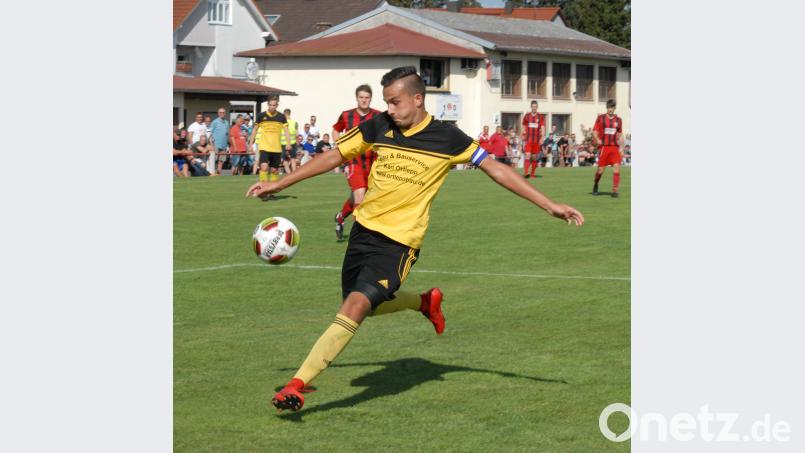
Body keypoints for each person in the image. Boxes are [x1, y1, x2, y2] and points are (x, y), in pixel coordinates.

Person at [245, 65, 584, 413]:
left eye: (395, 102)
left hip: (399, 244)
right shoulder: (379, 125)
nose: (389, 109)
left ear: (418, 99)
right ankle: (424, 302)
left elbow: (495, 168)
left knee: (355, 306)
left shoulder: (447, 137)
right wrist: (278, 183)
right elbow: (336, 155)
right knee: (361, 306)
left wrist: (549, 205)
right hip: (363, 232)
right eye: (387, 102)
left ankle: (297, 385)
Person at [332, 84, 382, 241]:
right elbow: (336, 130)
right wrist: (341, 148)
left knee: (358, 196)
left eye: (367, 98)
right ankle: (359, 237)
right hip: (353, 162)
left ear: (370, 99)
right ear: (357, 98)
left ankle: (341, 216)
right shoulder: (347, 115)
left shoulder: (378, 116)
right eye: (361, 97)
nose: (364, 100)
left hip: (373, 162)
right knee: (360, 196)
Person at [248, 95, 292, 198]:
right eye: (270, 105)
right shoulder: (261, 116)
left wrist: (288, 143)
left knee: (274, 171)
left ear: (277, 105)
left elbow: (286, 131)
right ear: (268, 105)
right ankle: (262, 191)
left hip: (276, 148)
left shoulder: (281, 117)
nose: (272, 107)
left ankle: (271, 192)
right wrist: (250, 144)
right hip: (264, 147)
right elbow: (254, 130)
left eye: (274, 105)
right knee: (264, 167)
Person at [592, 99, 625, 197]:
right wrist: (597, 139)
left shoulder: (618, 120)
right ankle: (596, 184)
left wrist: (622, 147)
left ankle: (615, 191)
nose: (610, 109)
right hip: (604, 148)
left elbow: (620, 134)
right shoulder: (601, 118)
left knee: (617, 169)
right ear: (607, 107)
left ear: (614, 108)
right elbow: (594, 131)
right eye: (609, 107)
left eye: (612, 107)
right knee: (600, 171)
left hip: (614, 148)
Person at [521, 100, 546, 178]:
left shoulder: (540, 116)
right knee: (527, 155)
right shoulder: (527, 116)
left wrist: (542, 137)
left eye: (535, 106)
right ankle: (526, 173)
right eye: (533, 106)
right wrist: (523, 134)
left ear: (537, 107)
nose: (534, 108)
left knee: (534, 158)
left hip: (536, 141)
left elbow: (543, 127)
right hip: (528, 140)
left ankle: (532, 174)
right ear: (531, 107)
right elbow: (524, 126)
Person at [209, 107, 229, 175]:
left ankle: (218, 174)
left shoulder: (227, 122)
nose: (222, 114)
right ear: (218, 113)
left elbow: (227, 134)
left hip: (224, 145)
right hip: (216, 145)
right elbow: (210, 133)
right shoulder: (214, 122)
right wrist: (211, 144)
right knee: (214, 160)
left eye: (223, 112)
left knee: (221, 161)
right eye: (220, 112)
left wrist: (227, 145)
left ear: (225, 113)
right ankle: (212, 173)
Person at [280, 108, 299, 175]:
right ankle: (294, 174)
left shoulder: (281, 123)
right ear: (290, 113)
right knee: (293, 159)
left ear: (284, 114)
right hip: (292, 143)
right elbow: (297, 134)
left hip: (283, 143)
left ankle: (289, 173)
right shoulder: (295, 123)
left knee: (284, 160)